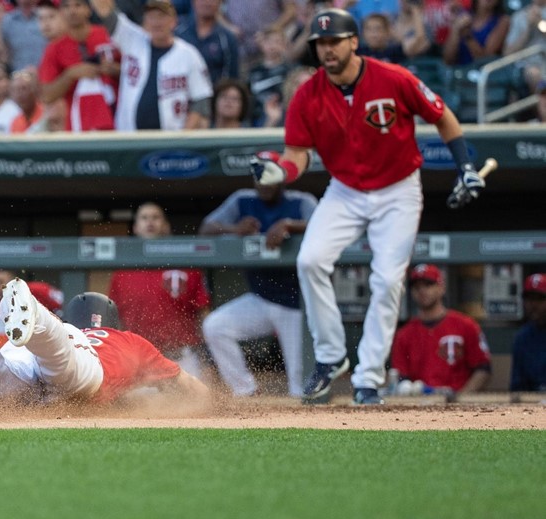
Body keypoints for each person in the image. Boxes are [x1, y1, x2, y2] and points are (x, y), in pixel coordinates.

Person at [250, 8, 486, 405]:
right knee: (310, 260)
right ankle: (330, 357)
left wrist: (465, 166)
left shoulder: (393, 77)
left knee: (387, 280)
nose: (326, 49)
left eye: (334, 41)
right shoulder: (308, 95)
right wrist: (281, 172)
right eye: (320, 43)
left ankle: (369, 377)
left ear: (353, 42)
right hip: (345, 189)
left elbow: (442, 115)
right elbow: (297, 155)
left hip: (398, 190)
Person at [0, 272, 210, 409]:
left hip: (25, 353)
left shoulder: (75, 328)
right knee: (63, 367)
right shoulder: (127, 340)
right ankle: (34, 315)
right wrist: (213, 403)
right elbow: (185, 384)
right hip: (76, 356)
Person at [199, 161, 317, 397]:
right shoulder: (243, 200)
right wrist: (234, 230)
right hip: (261, 298)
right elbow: (206, 229)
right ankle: (246, 391)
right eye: (259, 178)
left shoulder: (301, 201)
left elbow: (324, 225)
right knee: (215, 326)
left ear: (283, 179)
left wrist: (289, 225)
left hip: (297, 304)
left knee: (300, 388)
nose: (263, 184)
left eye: (270, 178)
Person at [107, 203, 210, 379]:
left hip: (182, 355)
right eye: (144, 218)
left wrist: (207, 357)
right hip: (140, 360)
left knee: (198, 402)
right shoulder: (122, 270)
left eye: (156, 217)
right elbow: (112, 318)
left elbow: (203, 311)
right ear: (136, 228)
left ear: (166, 226)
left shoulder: (186, 265)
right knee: (138, 405)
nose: (150, 222)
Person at [88, 0, 213, 131]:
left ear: (174, 21)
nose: (157, 22)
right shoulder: (132, 39)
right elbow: (104, 9)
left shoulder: (189, 54)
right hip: (130, 138)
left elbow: (201, 100)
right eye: (152, 17)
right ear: (145, 21)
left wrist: (182, 137)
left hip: (171, 141)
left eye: (162, 17)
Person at [389, 264, 491, 399]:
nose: (422, 290)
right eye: (417, 287)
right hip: (419, 405)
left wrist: (462, 398)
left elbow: (483, 370)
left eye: (428, 285)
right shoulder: (404, 334)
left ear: (441, 288)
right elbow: (400, 378)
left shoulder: (466, 325)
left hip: (458, 404)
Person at [37, 0, 120, 132]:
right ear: (61, 12)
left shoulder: (108, 35)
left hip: (117, 117)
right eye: (67, 6)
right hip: (78, 125)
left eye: (78, 5)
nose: (72, 11)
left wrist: (113, 70)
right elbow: (46, 96)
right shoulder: (54, 48)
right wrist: (70, 75)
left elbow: (135, 71)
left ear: (89, 9)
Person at [175, 0, 242, 84]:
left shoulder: (227, 39)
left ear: (220, 3)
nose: (207, 2)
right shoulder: (178, 32)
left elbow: (232, 79)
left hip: (214, 93)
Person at [510, 273, 546, 394]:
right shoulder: (522, 338)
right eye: (529, 298)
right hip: (532, 404)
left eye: (540, 299)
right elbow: (517, 387)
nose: (533, 304)